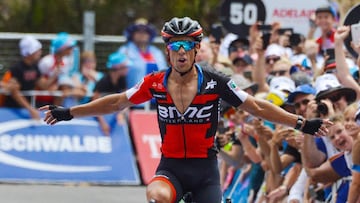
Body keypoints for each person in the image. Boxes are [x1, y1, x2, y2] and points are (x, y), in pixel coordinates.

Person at [40, 17, 330, 203]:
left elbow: (255, 106)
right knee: (155, 197)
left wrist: (301, 122)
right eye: (175, 45)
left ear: (196, 49)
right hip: (172, 167)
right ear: (167, 49)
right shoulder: (154, 83)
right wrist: (69, 112)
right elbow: (116, 101)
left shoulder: (216, 82)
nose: (181, 51)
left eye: (187, 45)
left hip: (205, 171)